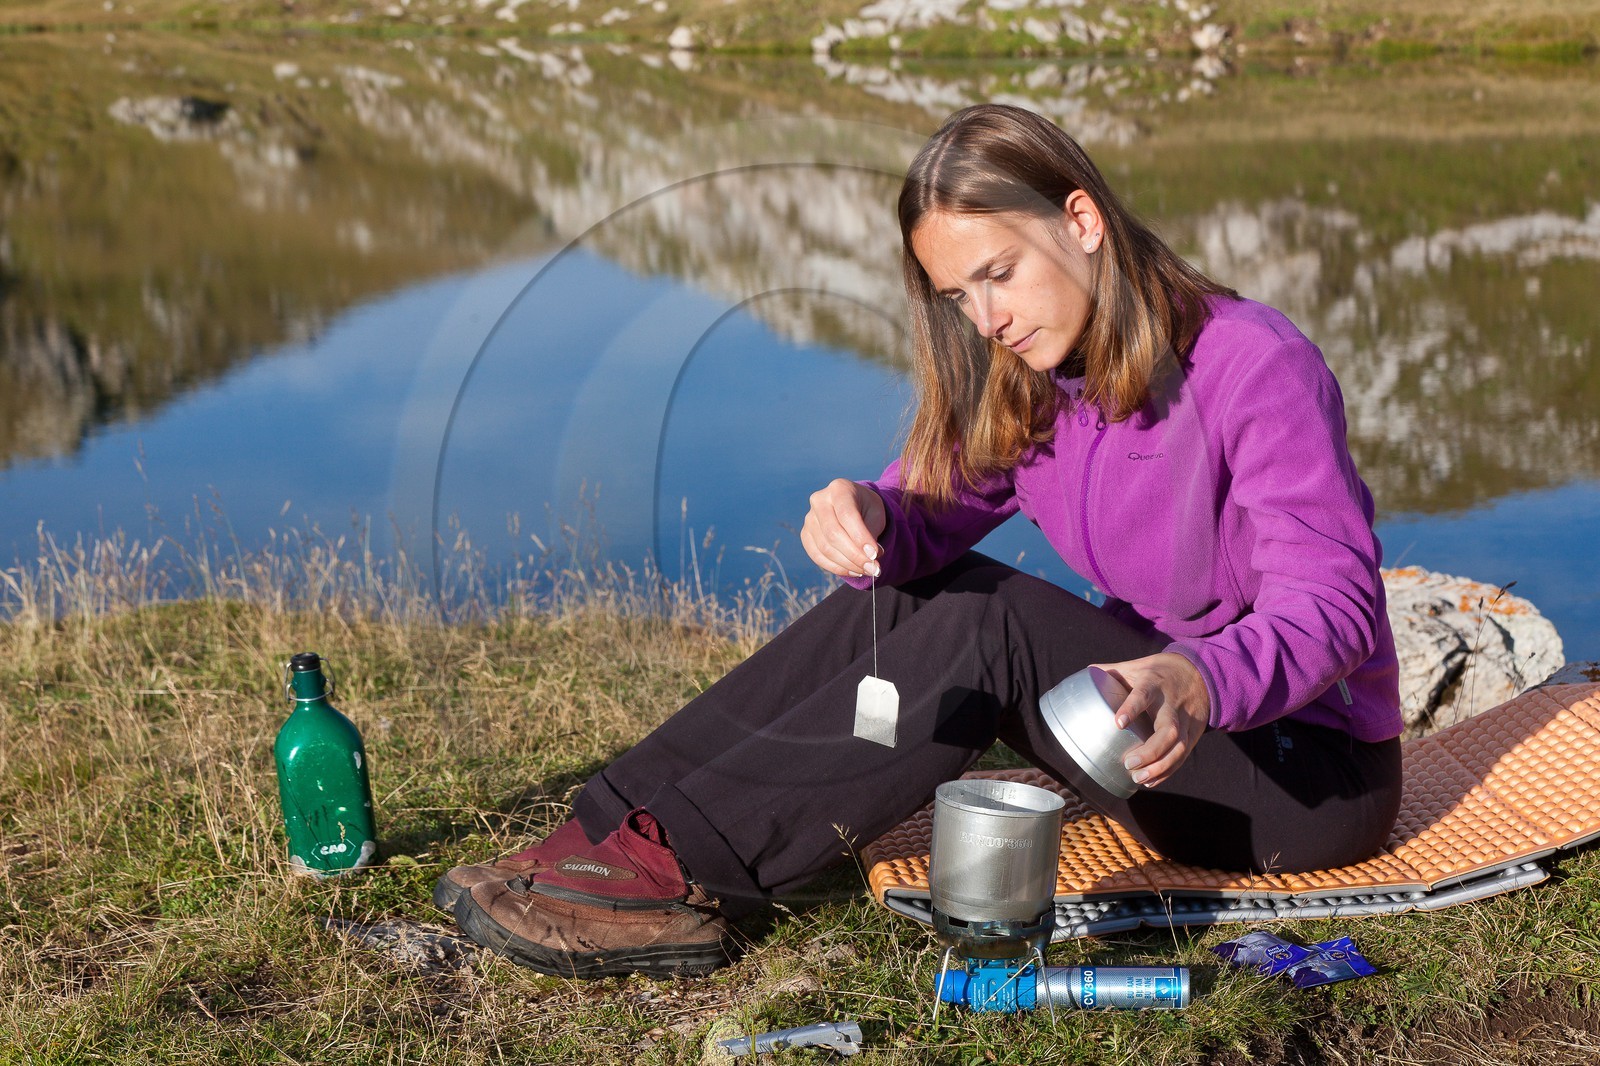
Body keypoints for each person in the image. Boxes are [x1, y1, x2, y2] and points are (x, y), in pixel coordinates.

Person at [442, 103, 1405, 979]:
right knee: (912, 588)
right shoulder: (1037, 378)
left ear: (1081, 220)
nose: (986, 319)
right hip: (1151, 733)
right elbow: (929, 510)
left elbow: (1336, 609)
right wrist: (869, 513)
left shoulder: (1254, 364)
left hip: (1302, 778)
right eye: (957, 295)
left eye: (999, 274)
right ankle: (611, 826)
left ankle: (687, 873)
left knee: (995, 624)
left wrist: (1199, 677)